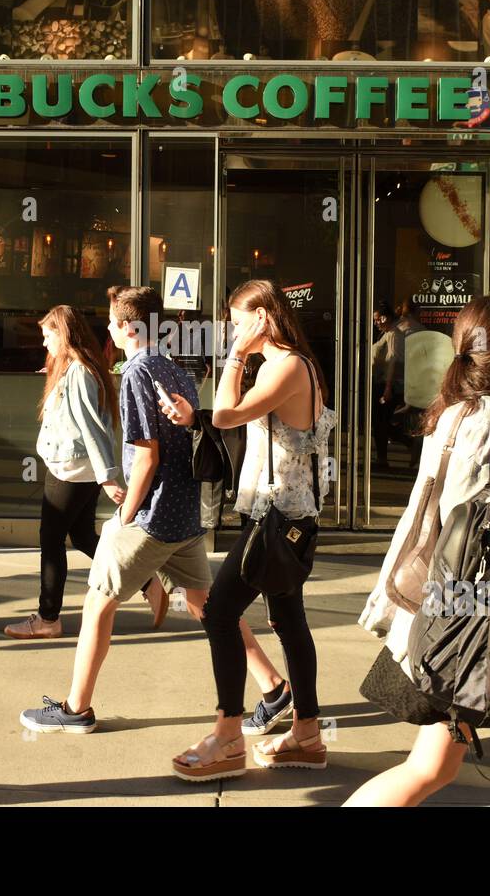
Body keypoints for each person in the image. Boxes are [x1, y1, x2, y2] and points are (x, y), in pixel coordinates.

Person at [348, 295, 490, 807]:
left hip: (459, 610)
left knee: (440, 764)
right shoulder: (487, 417)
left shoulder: (462, 408)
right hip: (473, 613)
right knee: (442, 764)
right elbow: (470, 525)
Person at [19, 285, 210, 734]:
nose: (107, 328)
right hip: (183, 515)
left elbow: (147, 456)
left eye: (111, 321)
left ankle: (76, 709)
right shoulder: (173, 368)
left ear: (128, 326)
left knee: (97, 605)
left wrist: (124, 516)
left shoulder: (137, 372)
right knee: (210, 608)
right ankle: (274, 685)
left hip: (151, 517)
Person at [166, 279, 337, 780]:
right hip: (288, 515)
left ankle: (228, 736)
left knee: (219, 614)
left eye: (240, 322)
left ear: (264, 318)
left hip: (276, 516)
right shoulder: (293, 364)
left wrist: (237, 355)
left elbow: (225, 414)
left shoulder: (285, 365)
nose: (233, 332)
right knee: (288, 620)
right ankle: (306, 733)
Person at [5, 305, 132, 640]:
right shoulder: (77, 369)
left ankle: (48, 619)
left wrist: (107, 475)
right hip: (78, 467)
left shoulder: (78, 372)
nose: (44, 341)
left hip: (72, 469)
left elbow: (93, 427)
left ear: (64, 333)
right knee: (83, 537)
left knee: (51, 540)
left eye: (48, 334)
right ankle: (147, 580)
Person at [371, 302, 401, 470]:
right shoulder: (386, 334)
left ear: (385, 317)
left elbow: (392, 361)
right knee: (381, 422)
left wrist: (388, 388)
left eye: (377, 319)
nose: (376, 323)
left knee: (381, 422)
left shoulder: (393, 335)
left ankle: (383, 457)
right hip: (381, 382)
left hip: (385, 384)